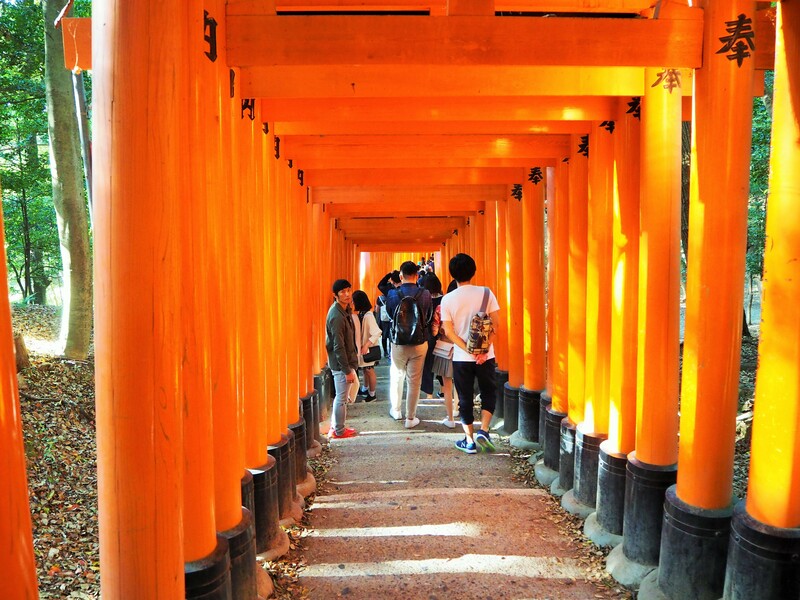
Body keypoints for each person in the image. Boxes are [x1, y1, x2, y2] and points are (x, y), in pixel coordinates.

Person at [440, 253, 501, 453]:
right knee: (488, 392)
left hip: (462, 358)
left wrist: (468, 350)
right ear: (474, 271)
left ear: (452, 274)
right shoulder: (486, 293)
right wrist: (482, 351)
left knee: (465, 397)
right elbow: (496, 326)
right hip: (487, 355)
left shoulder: (448, 299)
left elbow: (449, 331)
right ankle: (484, 429)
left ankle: (469, 440)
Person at [385, 261, 433, 429]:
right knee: (414, 380)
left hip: (398, 342)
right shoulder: (425, 294)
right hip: (420, 342)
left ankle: (396, 410)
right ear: (417, 276)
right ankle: (410, 418)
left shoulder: (392, 294)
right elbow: (428, 316)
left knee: (397, 376)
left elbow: (391, 315)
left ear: (400, 276)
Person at [324, 279, 359, 439]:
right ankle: (338, 430)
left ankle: (336, 427)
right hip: (340, 364)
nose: (346, 294)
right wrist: (346, 370)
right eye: (342, 292)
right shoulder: (336, 316)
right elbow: (338, 346)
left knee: (342, 397)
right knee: (341, 398)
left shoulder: (343, 310)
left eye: (348, 290)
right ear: (335, 295)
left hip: (344, 361)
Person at [352, 290, 382, 402]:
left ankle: (372, 394)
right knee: (365, 369)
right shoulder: (362, 314)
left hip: (369, 348)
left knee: (369, 370)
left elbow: (377, 332)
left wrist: (366, 345)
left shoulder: (368, 316)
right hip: (365, 348)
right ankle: (365, 389)